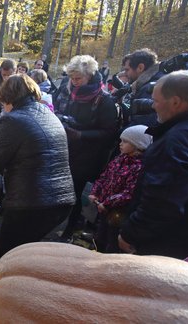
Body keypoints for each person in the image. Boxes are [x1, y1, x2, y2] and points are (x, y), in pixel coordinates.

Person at [0, 74, 75, 259]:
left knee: (9, 257)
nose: (3, 109)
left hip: (31, 205)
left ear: (7, 98)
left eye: (2, 104)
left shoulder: (12, 120)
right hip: (62, 202)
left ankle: (4, 287)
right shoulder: (47, 112)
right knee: (28, 255)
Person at [118, 71, 188, 259]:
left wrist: (131, 233)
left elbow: (164, 198)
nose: (152, 106)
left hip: (164, 243)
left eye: (156, 101)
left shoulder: (176, 141)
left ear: (176, 102)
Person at [55, 55, 119, 239]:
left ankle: (70, 230)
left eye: (78, 79)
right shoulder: (73, 91)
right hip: (70, 149)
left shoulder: (104, 100)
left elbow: (110, 133)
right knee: (67, 188)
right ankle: (66, 224)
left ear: (90, 75)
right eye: (72, 78)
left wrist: (81, 134)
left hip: (90, 154)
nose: (74, 83)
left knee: (76, 191)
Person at [89, 125, 151, 253]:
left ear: (137, 145)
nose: (120, 144)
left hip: (118, 213)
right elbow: (104, 176)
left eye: (125, 141)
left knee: (112, 241)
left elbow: (128, 193)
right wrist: (95, 192)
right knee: (100, 236)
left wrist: (106, 203)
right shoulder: (118, 159)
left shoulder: (138, 167)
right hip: (104, 209)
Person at [122, 48, 164, 126]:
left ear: (140, 68)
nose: (125, 73)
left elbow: (141, 126)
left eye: (127, 70)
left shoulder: (150, 89)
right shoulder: (158, 80)